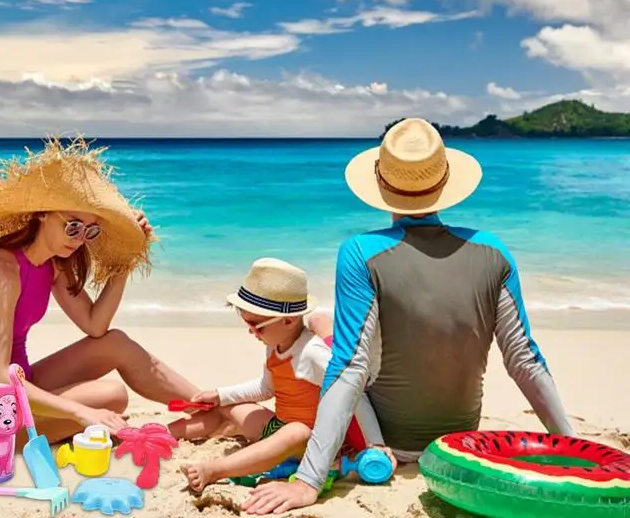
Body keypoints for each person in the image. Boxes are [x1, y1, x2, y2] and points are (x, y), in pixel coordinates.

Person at [242, 118, 575, 515]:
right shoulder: (494, 251)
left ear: (382, 187)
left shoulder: (360, 252)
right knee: (325, 328)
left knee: (323, 337)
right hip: (458, 444)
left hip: (382, 444)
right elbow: (524, 360)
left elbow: (350, 366)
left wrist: (309, 481)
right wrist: (572, 447)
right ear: (445, 183)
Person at [0, 136, 200, 443]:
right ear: (43, 212)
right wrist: (78, 412)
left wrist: (127, 258)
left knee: (115, 343)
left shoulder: (53, 265)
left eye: (89, 230)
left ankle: (205, 404)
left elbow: (96, 327)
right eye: (72, 226)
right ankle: (213, 411)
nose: (79, 238)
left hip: (20, 386)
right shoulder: (1, 271)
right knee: (112, 396)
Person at [172, 258, 388, 493]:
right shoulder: (275, 345)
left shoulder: (313, 353)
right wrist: (220, 395)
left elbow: (354, 393)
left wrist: (375, 444)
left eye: (256, 326)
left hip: (310, 441)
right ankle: (167, 433)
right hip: (279, 426)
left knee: (296, 431)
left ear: (287, 320)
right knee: (228, 407)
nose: (250, 331)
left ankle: (213, 470)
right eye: (246, 323)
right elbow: (266, 388)